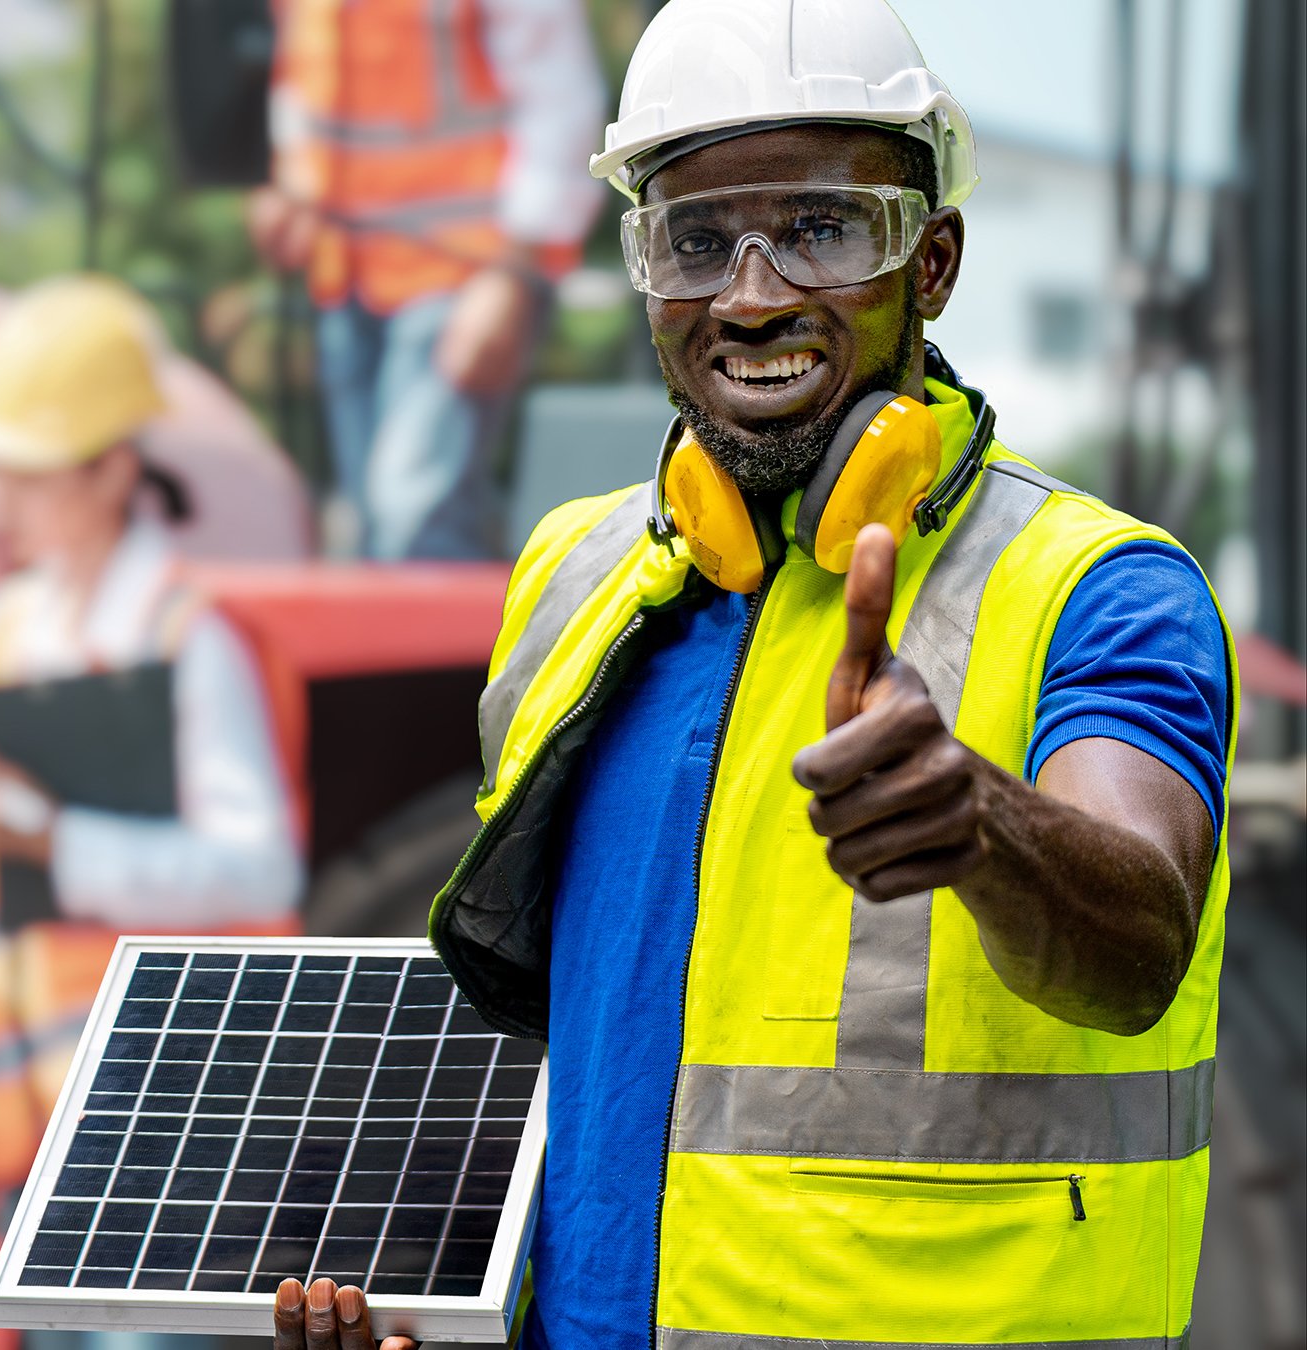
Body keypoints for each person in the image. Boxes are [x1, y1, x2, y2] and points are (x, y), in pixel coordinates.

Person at [275, 1, 1232, 1346]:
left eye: (824, 230)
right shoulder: (571, 578)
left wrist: (978, 822)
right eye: (698, 241)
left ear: (934, 261)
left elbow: (1138, 942)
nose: (753, 292)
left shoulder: (1100, 588)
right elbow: (563, 1047)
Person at [0, 277, 307, 1346]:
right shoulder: (0, 634)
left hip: (164, 1125)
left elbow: (259, 872)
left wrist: (59, 843)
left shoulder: (191, 641)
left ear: (113, 469)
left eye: (26, 473)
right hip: (33, 1117)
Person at [249, 0, 606, 562]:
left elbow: (559, 96)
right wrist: (292, 183)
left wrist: (512, 271)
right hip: (344, 272)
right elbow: (305, 74)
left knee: (414, 524)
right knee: (374, 533)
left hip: (465, 270)